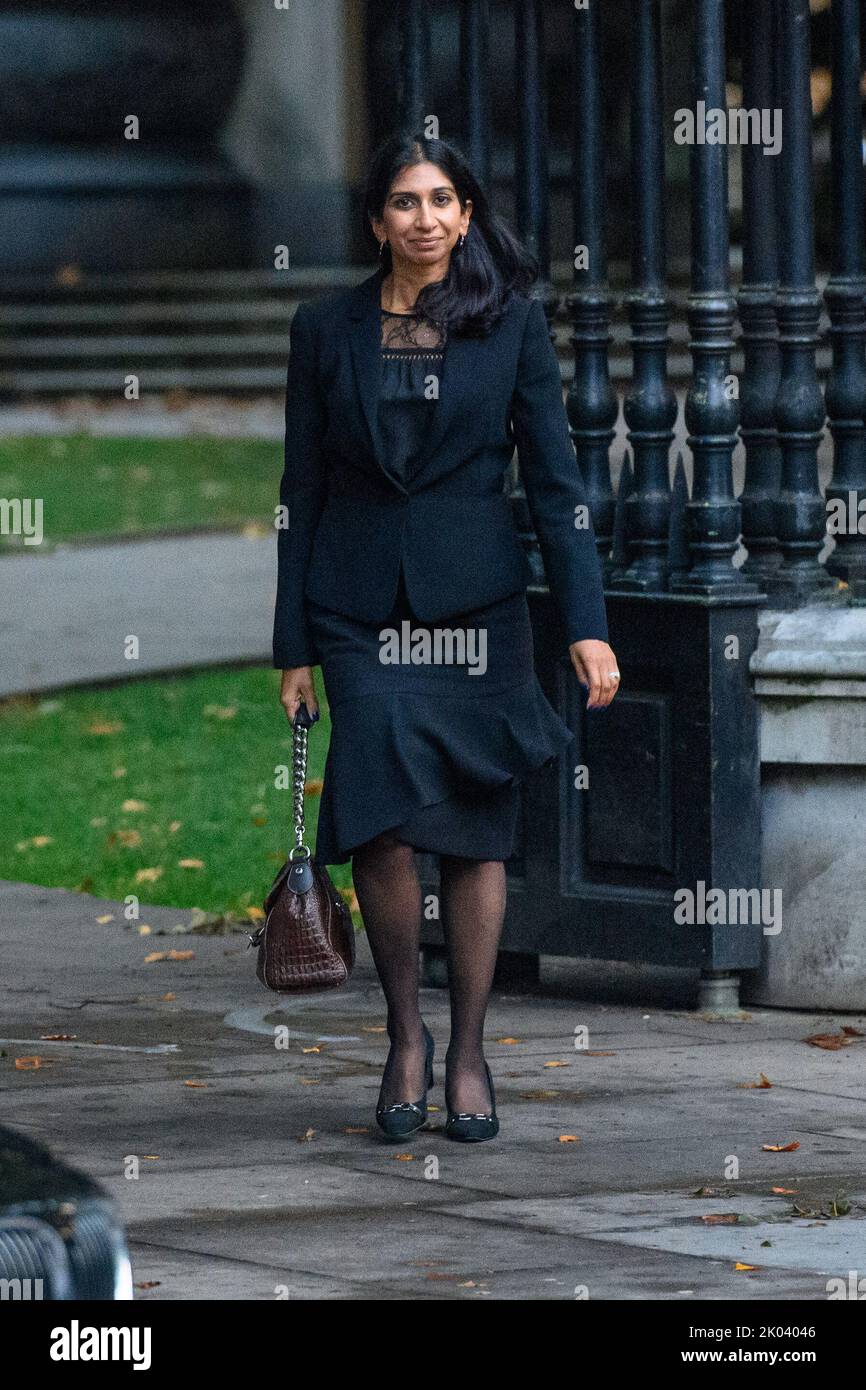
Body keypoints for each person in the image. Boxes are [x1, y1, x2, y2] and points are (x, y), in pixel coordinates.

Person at [273, 131, 620, 1143]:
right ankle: (403, 1036)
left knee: (472, 832)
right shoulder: (324, 327)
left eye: (439, 200)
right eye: (401, 201)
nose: (422, 218)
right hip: (357, 605)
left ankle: (466, 1048)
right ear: (376, 220)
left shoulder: (508, 324)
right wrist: (291, 642)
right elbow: (300, 490)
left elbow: (556, 488)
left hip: (475, 610)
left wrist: (586, 627)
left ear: (464, 215)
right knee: (379, 822)